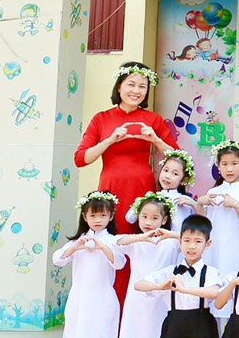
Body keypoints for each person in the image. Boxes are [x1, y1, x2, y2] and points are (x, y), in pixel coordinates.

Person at [74, 61, 177, 302]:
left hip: (142, 190)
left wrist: (155, 139)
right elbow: (81, 159)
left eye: (142, 86)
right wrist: (109, 140)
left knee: (141, 245)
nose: (136, 90)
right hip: (111, 189)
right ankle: (111, 307)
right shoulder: (101, 119)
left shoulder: (152, 119)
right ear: (119, 87)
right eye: (131, 84)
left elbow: (177, 158)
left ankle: (138, 306)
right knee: (112, 242)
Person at [53, 190, 126, 338]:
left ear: (111, 216)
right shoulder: (78, 242)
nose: (98, 220)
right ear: (85, 217)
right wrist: (76, 246)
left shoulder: (113, 241)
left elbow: (119, 263)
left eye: (103, 215)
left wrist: (103, 247)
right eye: (93, 215)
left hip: (104, 299)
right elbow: (58, 259)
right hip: (79, 299)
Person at [116, 191, 180, 338]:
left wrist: (168, 234)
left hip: (162, 300)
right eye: (144, 217)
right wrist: (142, 237)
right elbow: (118, 242)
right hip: (137, 300)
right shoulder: (135, 242)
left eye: (154, 218)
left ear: (164, 219)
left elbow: (188, 239)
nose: (148, 222)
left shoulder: (171, 243)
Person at [199, 140, 239, 316]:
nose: (229, 169)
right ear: (218, 166)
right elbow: (204, 222)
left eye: (234, 164)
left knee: (233, 288)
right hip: (214, 246)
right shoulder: (212, 192)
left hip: (236, 246)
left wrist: (236, 205)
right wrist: (200, 203)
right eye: (224, 164)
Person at [126, 150, 200, 235]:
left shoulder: (185, 201)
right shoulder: (153, 199)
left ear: (184, 180)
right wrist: (141, 202)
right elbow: (129, 218)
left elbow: (203, 220)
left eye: (175, 174)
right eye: (166, 170)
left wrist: (193, 204)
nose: (167, 176)